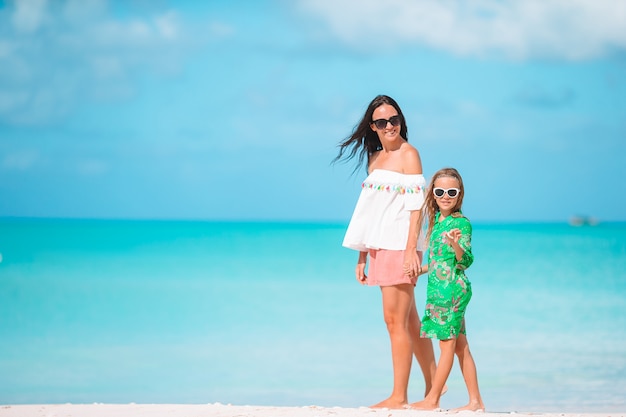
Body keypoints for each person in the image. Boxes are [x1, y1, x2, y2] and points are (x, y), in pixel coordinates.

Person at [335, 94, 438, 409]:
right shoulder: (374, 158)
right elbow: (369, 212)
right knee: (408, 321)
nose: (390, 125)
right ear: (373, 126)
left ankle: (399, 396)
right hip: (379, 245)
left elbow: (415, 207)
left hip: (399, 246)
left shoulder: (410, 154)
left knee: (394, 321)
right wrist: (362, 255)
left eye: (394, 119)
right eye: (382, 121)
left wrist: (411, 251)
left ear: (401, 120)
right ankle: (434, 385)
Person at [408, 167, 485, 412]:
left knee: (447, 344)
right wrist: (417, 270)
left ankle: (432, 399)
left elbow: (465, 261)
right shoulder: (437, 222)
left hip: (453, 291)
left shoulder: (461, 223)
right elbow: (438, 262)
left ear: (459, 194)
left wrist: (456, 245)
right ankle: (475, 402)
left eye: (451, 191)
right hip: (438, 290)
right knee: (461, 346)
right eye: (440, 191)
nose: (445, 196)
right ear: (433, 193)